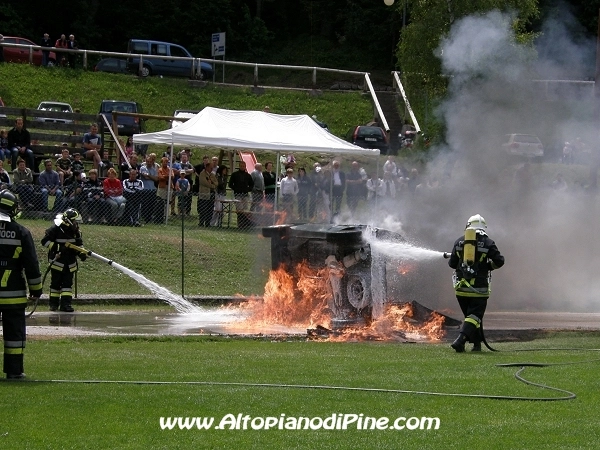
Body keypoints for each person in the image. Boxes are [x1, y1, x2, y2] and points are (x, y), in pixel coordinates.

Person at [0, 190, 42, 379]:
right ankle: (14, 371)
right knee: (14, 336)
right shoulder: (21, 232)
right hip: (14, 295)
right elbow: (31, 264)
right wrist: (36, 290)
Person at [447, 214, 505, 352]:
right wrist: (488, 267)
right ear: (483, 227)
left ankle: (476, 345)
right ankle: (460, 340)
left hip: (461, 288)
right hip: (479, 289)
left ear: (468, 226)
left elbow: (452, 264)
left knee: (471, 318)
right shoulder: (488, 243)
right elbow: (500, 261)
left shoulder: (459, 241)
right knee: (474, 316)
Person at [41, 208, 86, 312]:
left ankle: (66, 305)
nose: (76, 224)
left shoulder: (75, 231)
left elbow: (79, 244)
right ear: (69, 220)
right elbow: (45, 241)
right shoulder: (56, 228)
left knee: (67, 285)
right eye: (75, 221)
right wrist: (59, 248)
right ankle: (53, 304)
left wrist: (81, 253)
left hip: (70, 263)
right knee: (55, 284)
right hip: (57, 262)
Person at [139, 153, 158, 224]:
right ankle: (144, 218)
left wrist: (149, 175)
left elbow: (156, 179)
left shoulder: (154, 169)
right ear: (146, 162)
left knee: (151, 204)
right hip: (145, 189)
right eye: (148, 161)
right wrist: (151, 177)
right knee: (145, 204)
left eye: (150, 162)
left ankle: (149, 218)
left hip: (152, 189)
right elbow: (145, 177)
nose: (149, 163)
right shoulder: (142, 168)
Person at [198, 161, 217, 227]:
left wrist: (211, 182)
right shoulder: (202, 174)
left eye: (212, 168)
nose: (211, 169)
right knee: (203, 209)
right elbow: (205, 183)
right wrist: (212, 185)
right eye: (210, 168)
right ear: (206, 167)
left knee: (210, 209)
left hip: (211, 194)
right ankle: (201, 222)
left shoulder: (212, 175)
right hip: (204, 194)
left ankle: (208, 223)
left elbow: (216, 183)